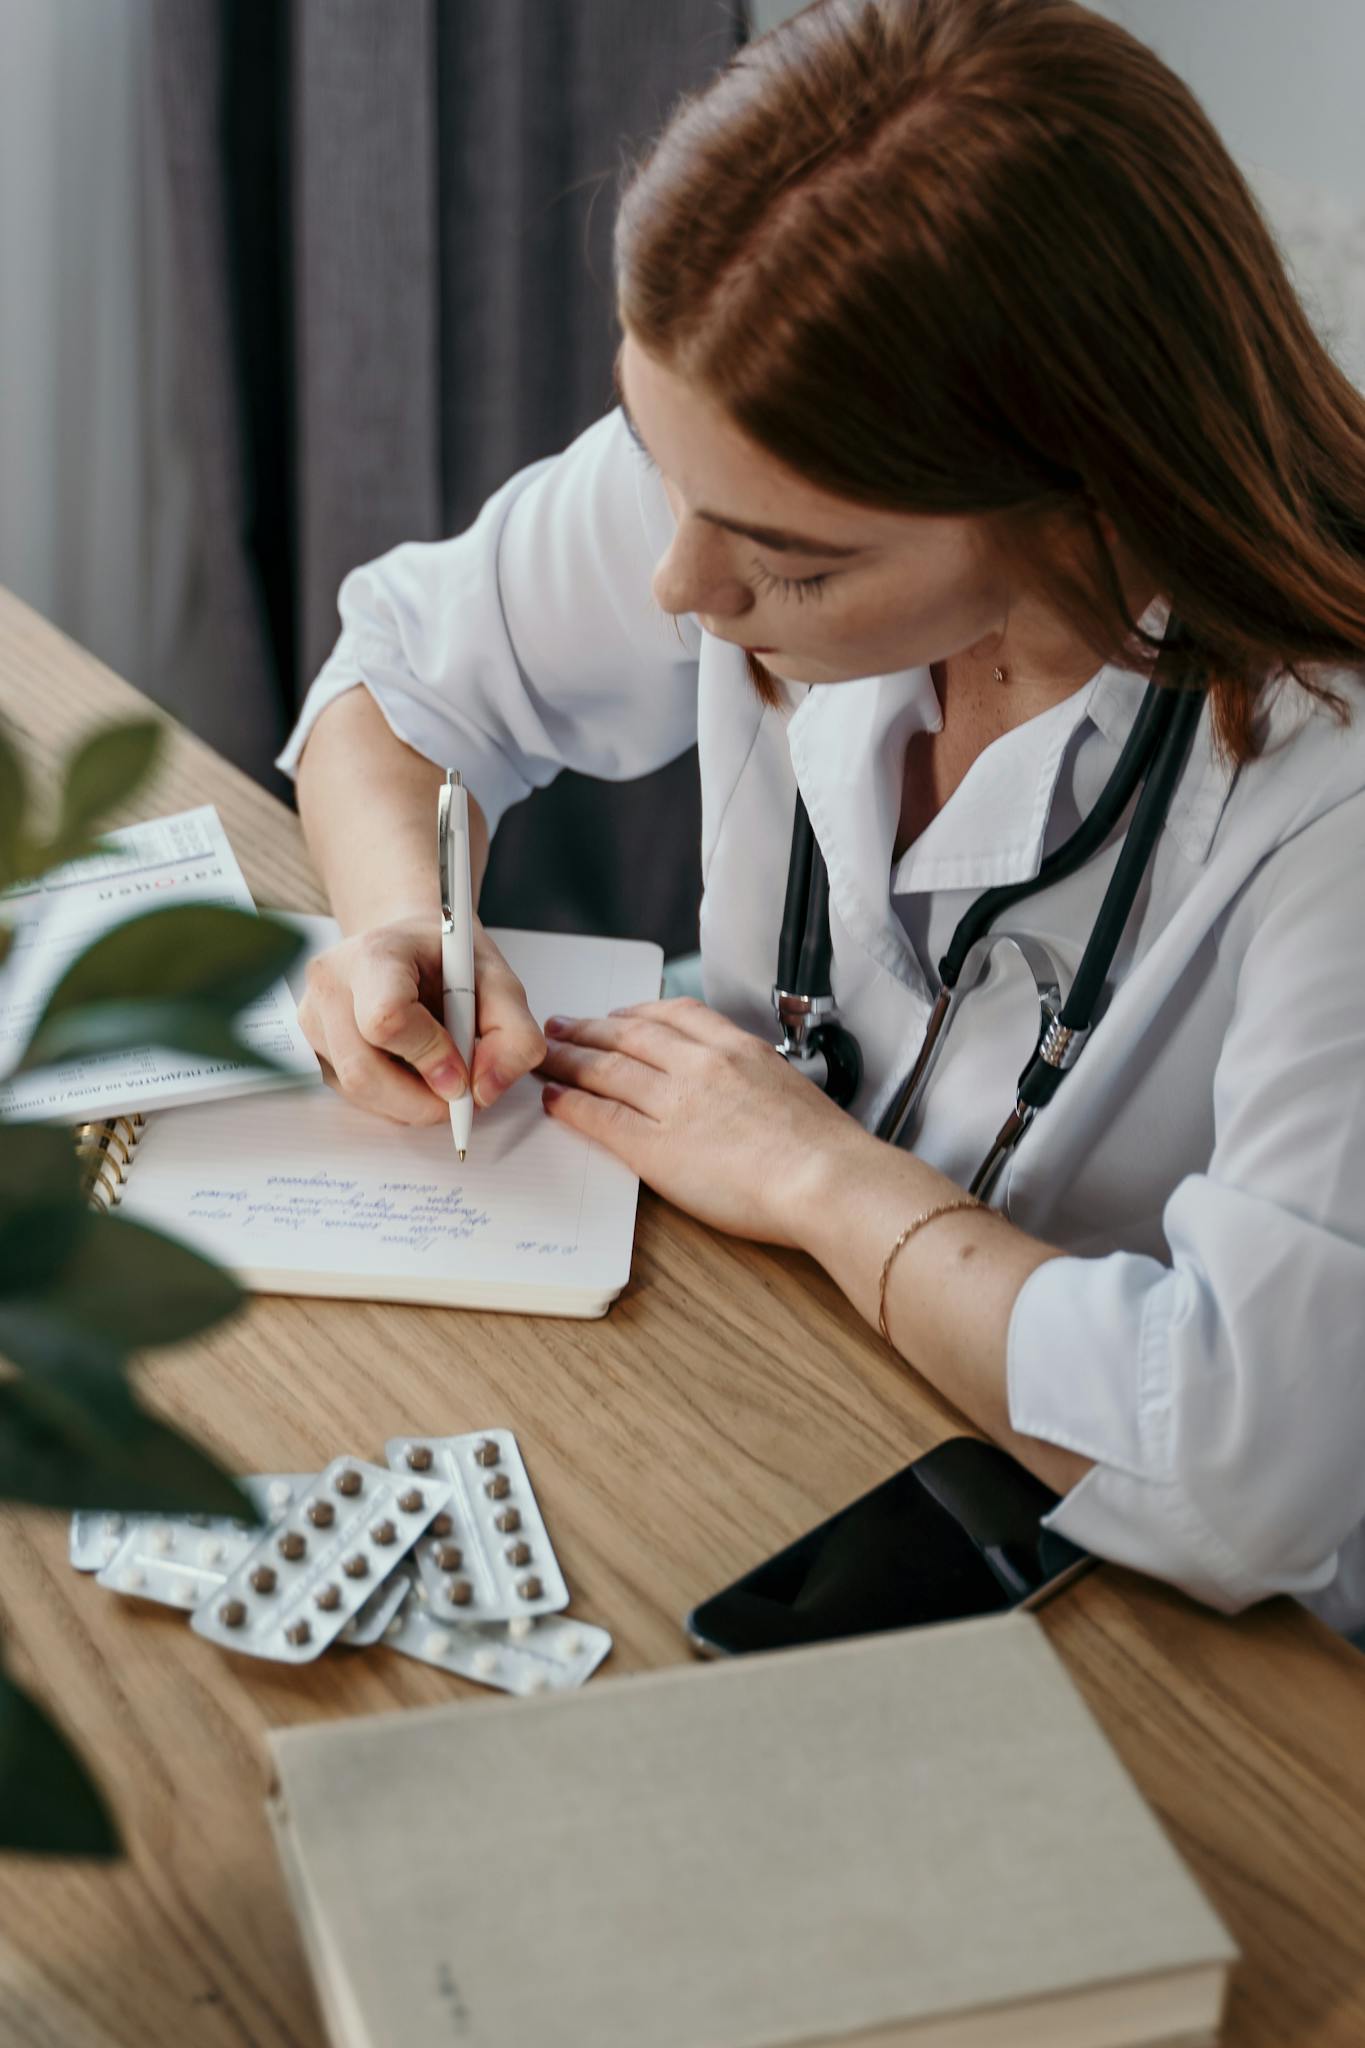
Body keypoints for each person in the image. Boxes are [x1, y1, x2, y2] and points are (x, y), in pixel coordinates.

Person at [280, 0, 1365, 1630]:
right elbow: (400, 689)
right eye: (660, 464)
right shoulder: (758, 458)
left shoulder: (1330, 790)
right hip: (775, 1389)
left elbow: (1242, 1467)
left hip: (1167, 1617)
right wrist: (396, 924)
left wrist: (815, 1180)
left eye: (788, 561)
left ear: (1084, 495)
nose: (676, 584)